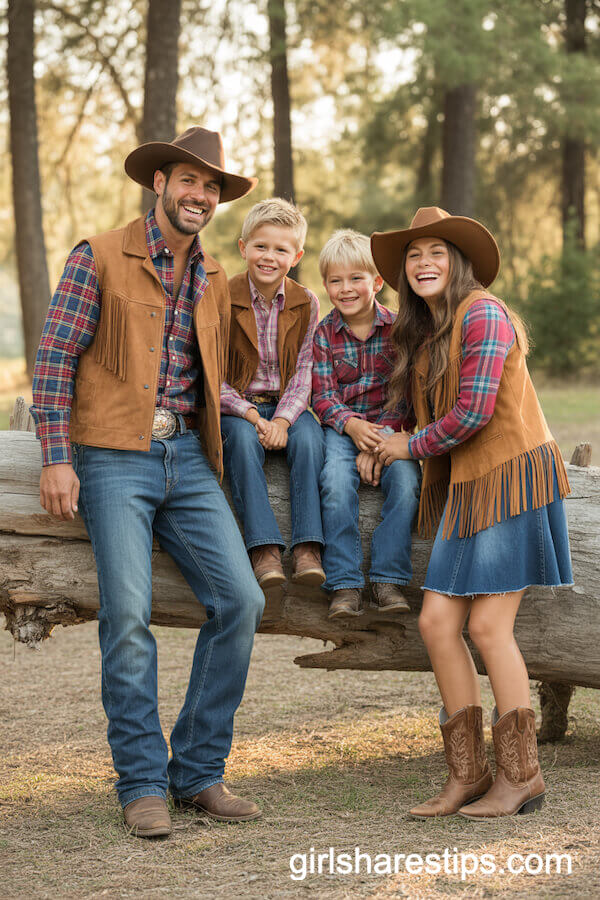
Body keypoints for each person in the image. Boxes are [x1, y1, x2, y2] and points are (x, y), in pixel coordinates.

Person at [30, 127, 266, 838]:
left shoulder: (215, 276)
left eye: (212, 186)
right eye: (187, 181)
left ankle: (196, 771)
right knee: (127, 617)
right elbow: (54, 359)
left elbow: (228, 376)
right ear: (158, 184)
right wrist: (55, 455)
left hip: (188, 459)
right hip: (110, 458)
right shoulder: (97, 255)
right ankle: (140, 784)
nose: (200, 195)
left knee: (243, 601)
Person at [371, 206, 573, 819]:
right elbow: (421, 416)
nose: (423, 262)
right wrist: (374, 437)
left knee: (488, 629)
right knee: (437, 625)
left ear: (458, 262)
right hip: (467, 488)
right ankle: (468, 774)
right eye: (413, 255)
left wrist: (409, 445)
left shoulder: (482, 312)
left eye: (436, 251)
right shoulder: (427, 332)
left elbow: (474, 413)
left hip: (511, 479)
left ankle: (522, 777)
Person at [312, 230, 421, 619]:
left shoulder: (400, 330)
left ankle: (387, 580)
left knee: (407, 483)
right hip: (342, 431)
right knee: (336, 486)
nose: (346, 289)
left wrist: (380, 441)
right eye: (335, 281)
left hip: (391, 429)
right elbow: (322, 396)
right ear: (325, 285)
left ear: (376, 282)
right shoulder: (323, 334)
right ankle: (344, 584)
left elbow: (405, 393)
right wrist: (353, 428)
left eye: (356, 278)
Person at [220, 198, 325, 588]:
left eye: (281, 249)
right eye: (261, 246)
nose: (269, 257)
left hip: (287, 405)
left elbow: (304, 371)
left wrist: (282, 418)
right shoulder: (222, 298)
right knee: (244, 443)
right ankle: (263, 550)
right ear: (243, 246)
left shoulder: (306, 302)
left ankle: (307, 548)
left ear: (295, 256)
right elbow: (209, 375)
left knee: (311, 441)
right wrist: (250, 413)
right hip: (237, 407)